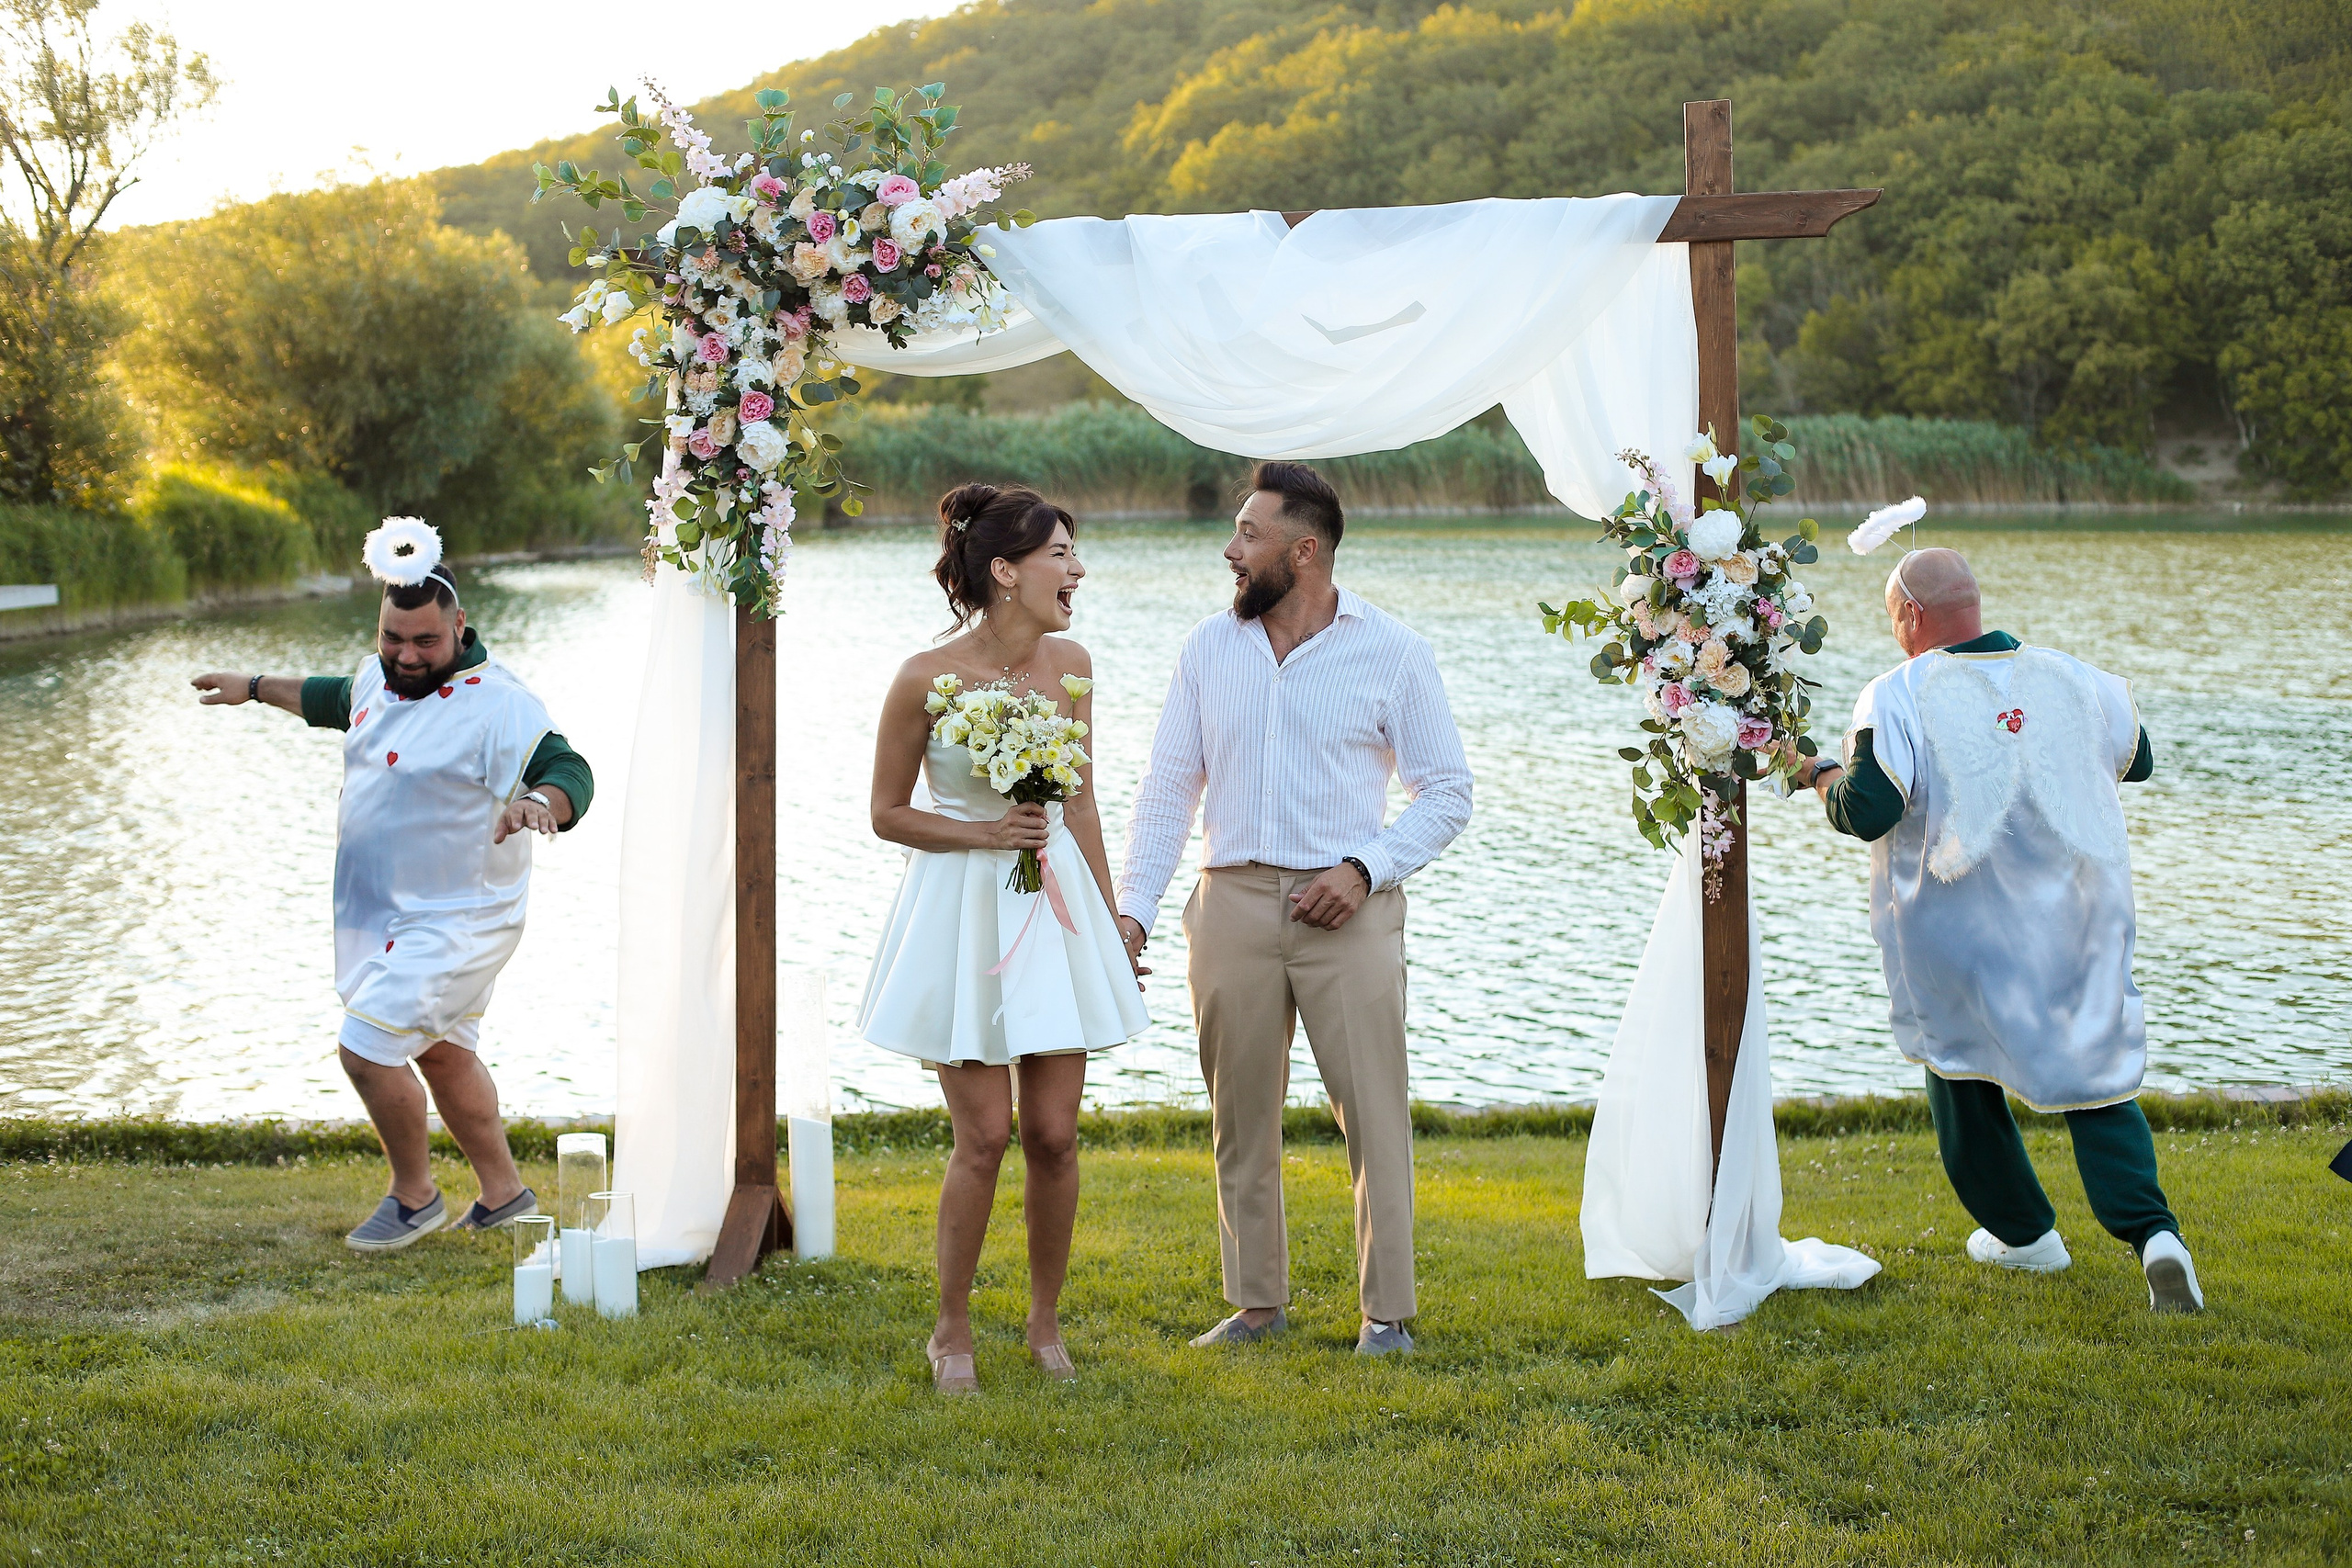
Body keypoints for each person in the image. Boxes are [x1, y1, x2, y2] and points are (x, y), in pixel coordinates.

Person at [1117, 461, 1473, 1357]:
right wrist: (1134, 912)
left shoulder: (1393, 651)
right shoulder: (1207, 649)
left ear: (1302, 551)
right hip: (1227, 902)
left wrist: (1366, 868)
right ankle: (1256, 1305)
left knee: (1373, 1115)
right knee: (1239, 1116)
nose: (1230, 550)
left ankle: (1386, 1317)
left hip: (1345, 910)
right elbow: (1167, 790)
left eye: (1248, 536)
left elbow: (1446, 792)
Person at [1791, 546, 2201, 1311]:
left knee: (1960, 1070)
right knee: (2095, 1078)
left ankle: (2025, 1236)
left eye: (1891, 617)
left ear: (1911, 615)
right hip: (2077, 916)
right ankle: (2155, 1235)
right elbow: (2136, 758)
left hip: (1961, 929)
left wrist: (1818, 774)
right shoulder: (2075, 677)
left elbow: (1870, 808)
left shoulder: (1897, 693)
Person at [192, 520, 593, 1253]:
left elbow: (568, 768)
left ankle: (415, 1198)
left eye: (425, 643)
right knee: (442, 1052)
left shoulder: (499, 703)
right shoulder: (381, 673)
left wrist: (542, 803)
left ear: (459, 626)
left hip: (459, 919)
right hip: (380, 916)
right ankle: (505, 1196)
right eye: (392, 639)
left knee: (366, 1047)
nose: (406, 657)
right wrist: (252, 688)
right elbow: (336, 698)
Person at [859, 483, 1150, 1395]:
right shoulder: (922, 677)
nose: (1077, 570)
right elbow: (886, 814)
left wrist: (1109, 918)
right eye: (1061, 554)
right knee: (983, 1135)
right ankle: (950, 1331)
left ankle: (1043, 1321)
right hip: (961, 911)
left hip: (1053, 904)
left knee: (1055, 1135)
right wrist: (983, 835)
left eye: (1073, 553)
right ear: (1004, 570)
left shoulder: (1072, 665)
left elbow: (1085, 800)